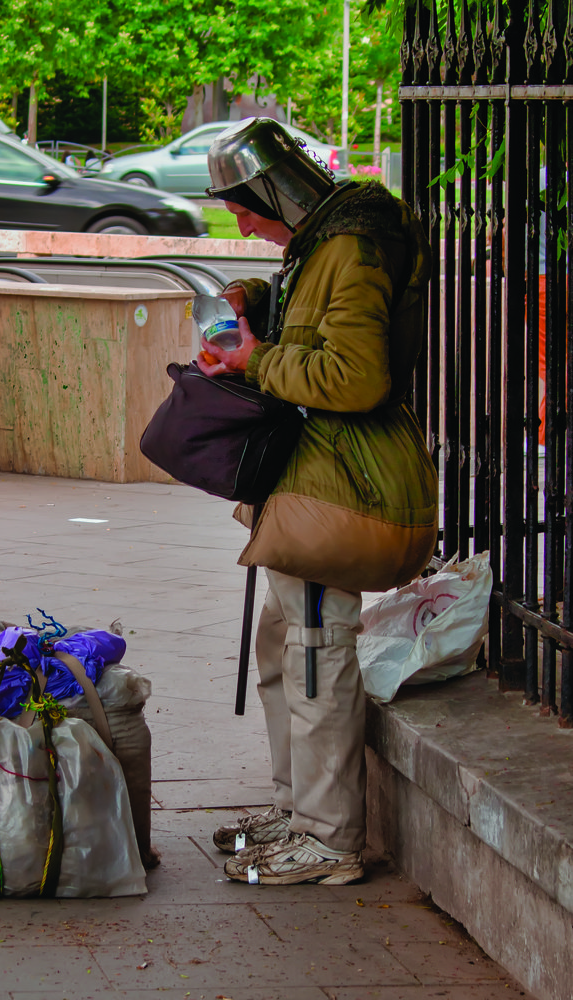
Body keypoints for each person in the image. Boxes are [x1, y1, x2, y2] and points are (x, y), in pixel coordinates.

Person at [199, 118, 438, 886]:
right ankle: (297, 808)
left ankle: (331, 836)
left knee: (314, 652)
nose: (238, 219)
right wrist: (258, 299)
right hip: (315, 473)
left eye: (243, 203)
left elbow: (356, 377)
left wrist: (259, 360)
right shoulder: (324, 242)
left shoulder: (351, 246)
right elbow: (319, 321)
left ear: (277, 189)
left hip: (344, 474)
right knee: (284, 644)